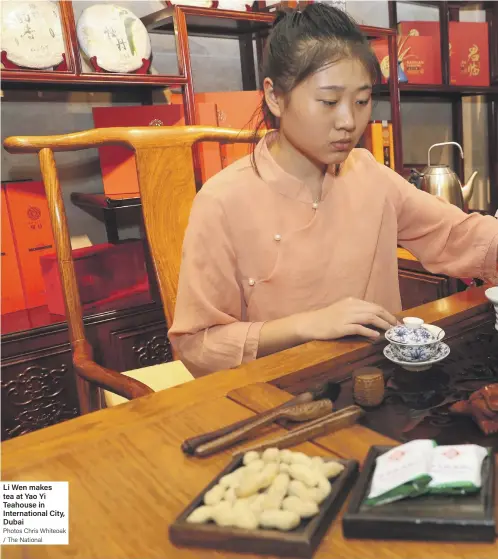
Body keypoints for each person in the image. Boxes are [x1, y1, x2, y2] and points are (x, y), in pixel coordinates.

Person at [168, 3, 498, 377]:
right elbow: (197, 344)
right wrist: (306, 325)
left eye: (360, 101)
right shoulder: (223, 201)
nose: (348, 121)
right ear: (275, 97)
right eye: (328, 101)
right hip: (276, 394)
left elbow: (458, 235)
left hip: (378, 379)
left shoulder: (368, 174)